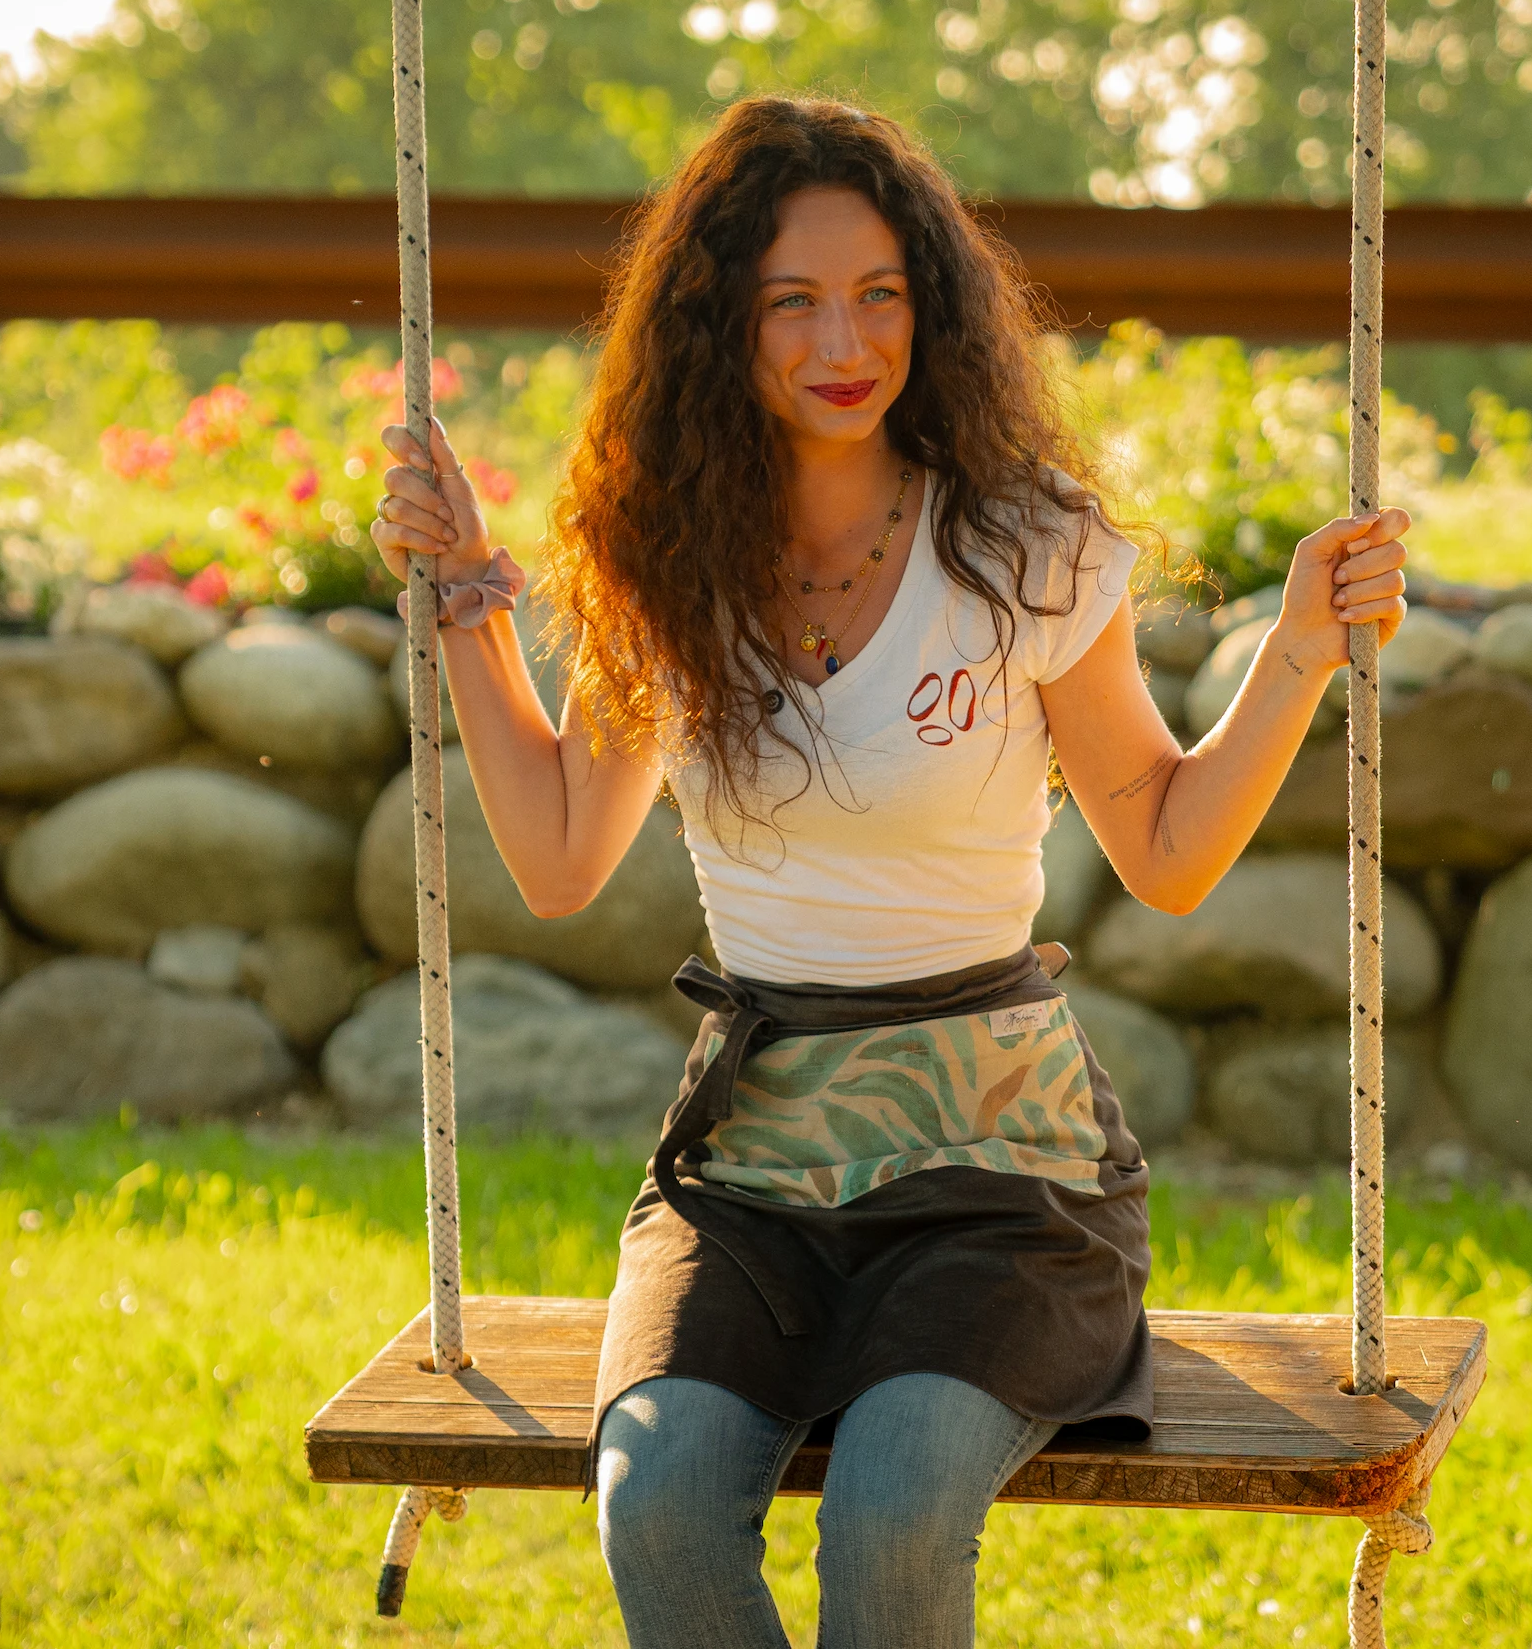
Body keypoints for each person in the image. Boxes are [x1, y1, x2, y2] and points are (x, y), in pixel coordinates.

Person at [370, 95, 1408, 1649]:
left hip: (1001, 1178)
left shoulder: (1020, 546)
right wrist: (460, 602)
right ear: (722, 323)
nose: (841, 338)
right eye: (791, 300)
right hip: (753, 1176)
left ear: (931, 305)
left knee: (894, 1509)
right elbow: (564, 846)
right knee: (653, 1504)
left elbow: (1170, 845)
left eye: (878, 294)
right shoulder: (670, 558)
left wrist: (1301, 651)